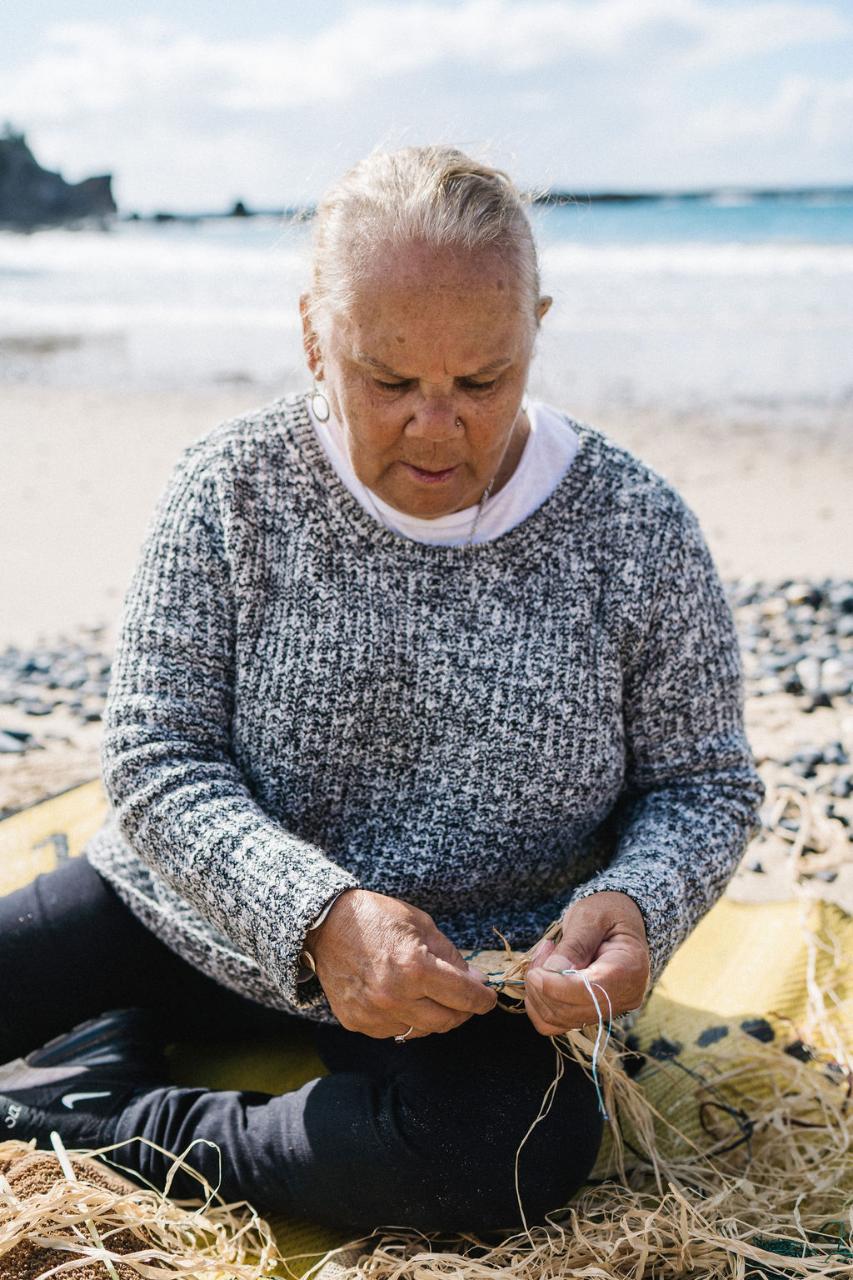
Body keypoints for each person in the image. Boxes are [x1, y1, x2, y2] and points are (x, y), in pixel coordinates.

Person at [0, 145, 764, 1235]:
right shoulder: (231, 486)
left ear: (536, 326)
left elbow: (702, 782)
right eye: (391, 380)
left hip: (474, 982)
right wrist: (314, 916)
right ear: (315, 332)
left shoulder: (634, 530)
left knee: (505, 1152)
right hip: (189, 917)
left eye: (483, 380)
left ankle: (107, 1115)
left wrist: (642, 901)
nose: (437, 426)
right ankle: (104, 1051)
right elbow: (154, 756)